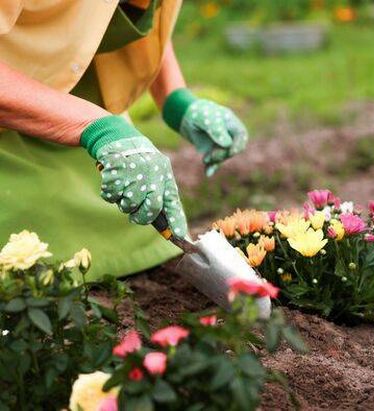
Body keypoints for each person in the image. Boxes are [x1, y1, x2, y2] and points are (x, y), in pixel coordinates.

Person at [0, 1, 248, 279]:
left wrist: (174, 96)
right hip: (12, 117)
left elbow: (126, 13)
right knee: (29, 265)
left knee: (143, 234)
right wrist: (96, 128)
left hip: (78, 99)